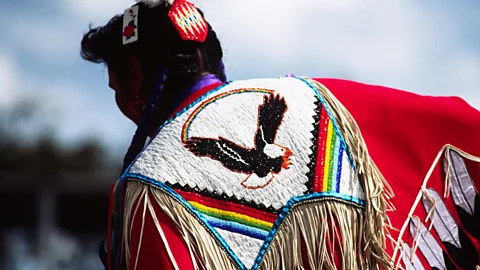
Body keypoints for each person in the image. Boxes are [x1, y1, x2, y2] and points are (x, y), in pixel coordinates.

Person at [81, 1, 480, 269]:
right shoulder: (323, 97)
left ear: (134, 76)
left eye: (116, 86)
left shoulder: (147, 188)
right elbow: (456, 126)